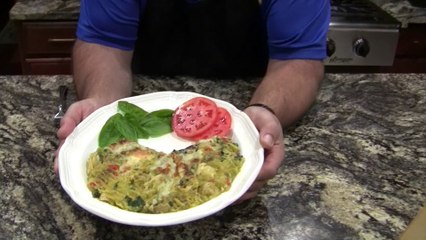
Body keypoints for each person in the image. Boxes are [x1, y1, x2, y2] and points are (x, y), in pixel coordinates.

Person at [55, 0, 330, 203]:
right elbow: (103, 41)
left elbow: (297, 58)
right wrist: (102, 107)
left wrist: (265, 110)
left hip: (252, 90)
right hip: (146, 100)